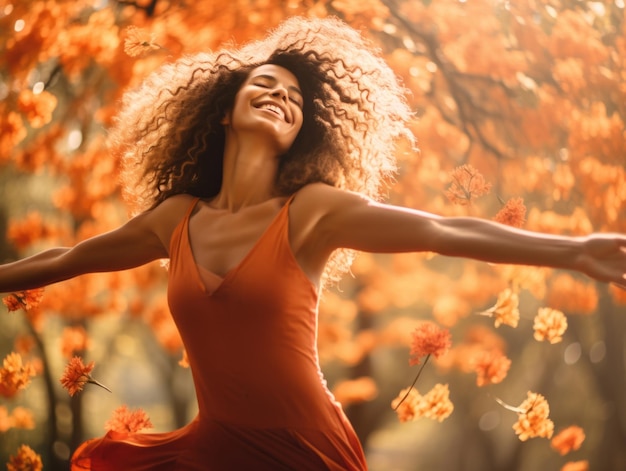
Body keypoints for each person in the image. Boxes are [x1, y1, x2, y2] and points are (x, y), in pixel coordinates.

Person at [1, 16, 625, 471]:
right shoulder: (177, 220)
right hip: (215, 452)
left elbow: (443, 229)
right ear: (225, 111)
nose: (281, 97)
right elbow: (68, 258)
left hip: (306, 450)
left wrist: (568, 250)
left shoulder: (311, 214)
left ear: (302, 133)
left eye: (296, 100)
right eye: (266, 86)